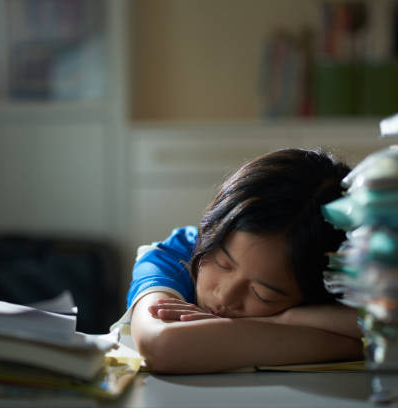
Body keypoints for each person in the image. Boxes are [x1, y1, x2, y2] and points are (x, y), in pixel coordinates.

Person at [115, 148, 362, 373]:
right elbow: (162, 344)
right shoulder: (171, 257)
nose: (225, 297)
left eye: (262, 294)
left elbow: (378, 325)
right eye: (223, 263)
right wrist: (344, 343)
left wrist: (282, 321)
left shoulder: (345, 272)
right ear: (210, 229)